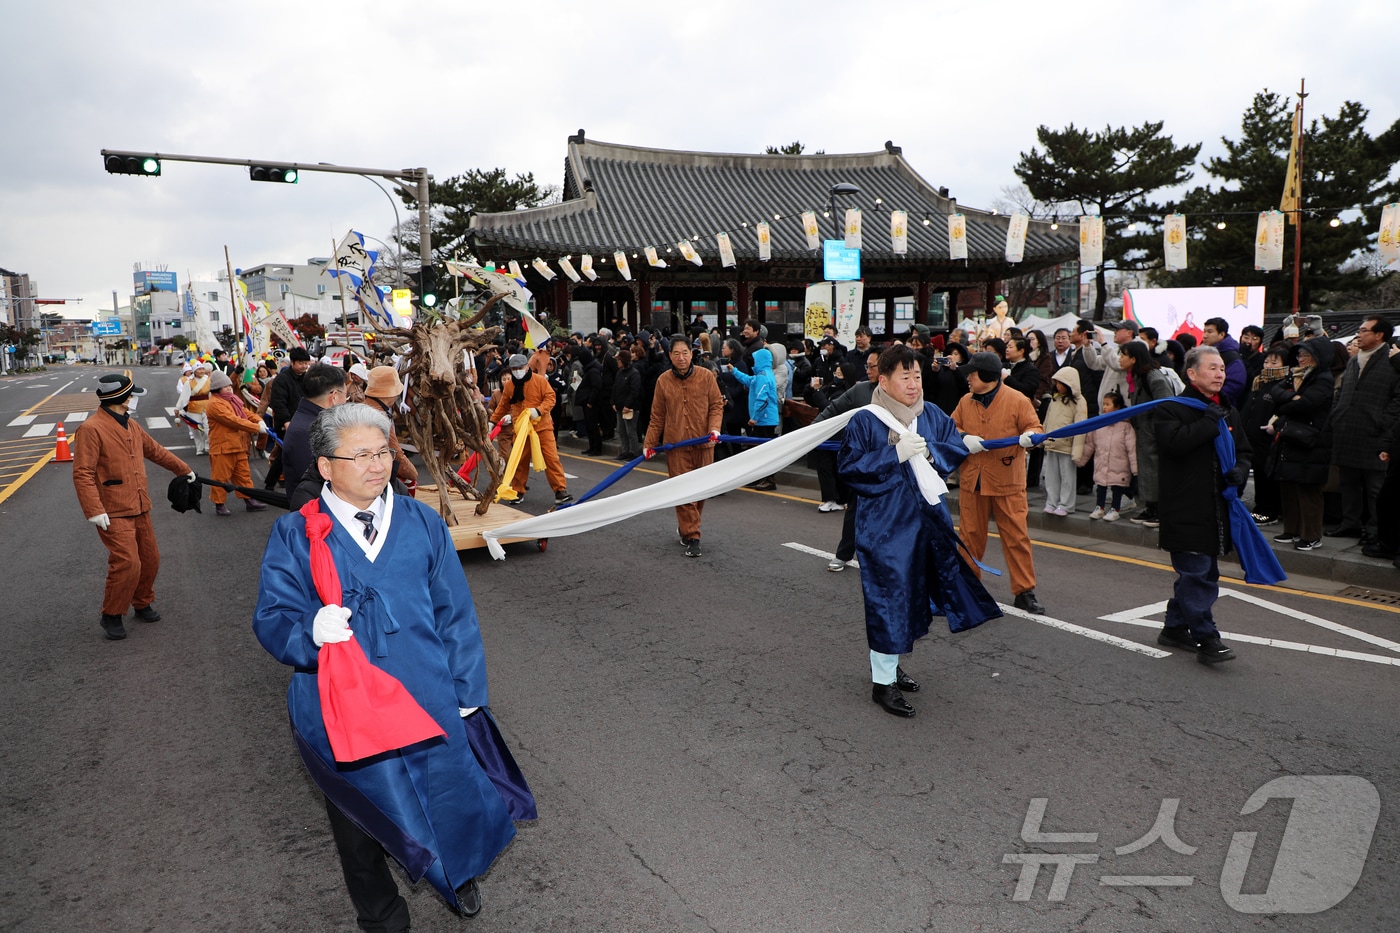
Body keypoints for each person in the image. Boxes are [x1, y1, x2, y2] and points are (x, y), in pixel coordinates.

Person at [252, 404, 525, 930]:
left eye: (383, 452)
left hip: (427, 691)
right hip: (343, 704)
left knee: (447, 792)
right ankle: (381, 917)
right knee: (360, 816)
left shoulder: (421, 522)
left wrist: (468, 692)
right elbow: (272, 616)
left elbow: (454, 614)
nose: (377, 465)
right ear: (326, 467)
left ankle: (455, 871)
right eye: (360, 456)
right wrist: (309, 630)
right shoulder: (296, 534)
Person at [838, 344, 1001, 717]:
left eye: (917, 376)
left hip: (926, 523)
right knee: (888, 600)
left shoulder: (931, 414)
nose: (913, 384)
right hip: (884, 528)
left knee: (913, 597)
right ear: (884, 381)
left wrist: (933, 453)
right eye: (905, 377)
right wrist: (893, 454)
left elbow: (949, 448)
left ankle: (891, 665)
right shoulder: (866, 420)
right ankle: (883, 683)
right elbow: (848, 469)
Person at [72, 374, 195, 641]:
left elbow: (156, 451)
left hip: (139, 504)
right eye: (131, 394)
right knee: (127, 562)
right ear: (121, 398)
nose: (134, 398)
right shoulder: (91, 429)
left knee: (150, 559)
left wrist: (184, 469)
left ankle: (142, 601)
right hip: (112, 508)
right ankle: (112, 614)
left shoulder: (131, 424)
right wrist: (94, 509)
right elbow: (83, 473)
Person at [1153, 346, 1251, 664]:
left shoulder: (1228, 410)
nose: (1220, 374)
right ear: (1192, 373)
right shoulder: (1171, 408)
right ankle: (1206, 638)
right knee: (1197, 574)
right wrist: (1208, 421)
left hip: (1217, 510)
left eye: (1222, 368)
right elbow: (1173, 444)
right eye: (1212, 368)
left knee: (1203, 573)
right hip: (1184, 507)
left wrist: (1240, 471)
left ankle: (1174, 628)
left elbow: (1244, 451)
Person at [952, 351, 1046, 614]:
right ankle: (969, 587)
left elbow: (1036, 428)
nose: (968, 378)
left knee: (1016, 536)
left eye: (972, 374)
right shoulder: (965, 401)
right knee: (969, 536)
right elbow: (950, 427)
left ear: (987, 376)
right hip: (974, 478)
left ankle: (1024, 590)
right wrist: (964, 437)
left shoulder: (1017, 400)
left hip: (1007, 480)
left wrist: (1030, 436)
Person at [643, 336, 725, 558]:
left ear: (692, 354)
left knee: (701, 491)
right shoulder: (663, 381)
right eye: (676, 354)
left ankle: (687, 527)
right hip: (676, 446)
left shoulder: (706, 376)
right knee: (683, 492)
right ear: (670, 356)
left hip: (704, 444)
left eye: (685, 353)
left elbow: (716, 405)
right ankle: (693, 536)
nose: (681, 358)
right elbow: (657, 416)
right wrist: (649, 444)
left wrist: (714, 429)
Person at [1327, 315, 1398, 543]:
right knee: (1348, 482)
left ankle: (1375, 530)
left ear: (1379, 335)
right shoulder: (1353, 360)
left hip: (1375, 432)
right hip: (1347, 428)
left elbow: (1397, 398)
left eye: (1364, 330)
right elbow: (1341, 393)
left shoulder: (1392, 359)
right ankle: (1350, 523)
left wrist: (1384, 422)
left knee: (1375, 486)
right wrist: (1336, 414)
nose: (1359, 334)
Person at [1263, 337, 1334, 550]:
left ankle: (1311, 535)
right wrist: (1292, 399)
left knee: (1308, 490)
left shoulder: (1323, 378)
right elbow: (1275, 392)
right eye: (1300, 355)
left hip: (1312, 440)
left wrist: (1287, 402)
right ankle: (1291, 530)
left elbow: (1307, 404)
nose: (1301, 359)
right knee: (1289, 486)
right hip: (1291, 437)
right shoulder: (1294, 374)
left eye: (1306, 355)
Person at [490, 353, 572, 503]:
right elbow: (503, 406)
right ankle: (517, 490)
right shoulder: (510, 386)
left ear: (527, 367)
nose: (517, 371)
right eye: (514, 369)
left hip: (542, 427)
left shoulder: (539, 381)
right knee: (520, 460)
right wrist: (493, 421)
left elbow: (550, 398)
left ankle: (560, 490)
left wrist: (538, 410)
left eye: (520, 368)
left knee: (551, 458)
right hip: (521, 429)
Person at [205, 370, 270, 516]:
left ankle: (249, 500)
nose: (229, 388)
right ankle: (219, 504)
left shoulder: (232, 399)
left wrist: (259, 420)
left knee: (244, 475)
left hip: (239, 445)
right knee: (220, 478)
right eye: (225, 387)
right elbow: (233, 420)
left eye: (229, 385)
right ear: (217, 389)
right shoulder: (214, 404)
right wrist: (256, 428)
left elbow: (245, 412)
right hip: (222, 447)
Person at [283, 364, 348, 495]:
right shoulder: (306, 432)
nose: (346, 401)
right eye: (346, 396)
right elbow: (318, 482)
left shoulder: (309, 419)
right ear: (334, 396)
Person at [1076, 390, 1136, 521]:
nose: (1104, 407)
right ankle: (1099, 507)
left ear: (1117, 407)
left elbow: (1132, 449)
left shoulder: (1126, 426)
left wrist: (1135, 468)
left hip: (1119, 464)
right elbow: (1089, 445)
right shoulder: (1099, 424)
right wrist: (1081, 460)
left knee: (1117, 488)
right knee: (1101, 486)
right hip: (1101, 462)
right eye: (1103, 404)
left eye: (1108, 404)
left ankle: (1115, 509)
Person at [730, 346, 781, 491]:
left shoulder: (763, 377)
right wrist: (734, 371)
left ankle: (769, 480)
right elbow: (748, 380)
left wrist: (754, 417)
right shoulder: (762, 375)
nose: (753, 362)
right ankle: (760, 478)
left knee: (764, 452)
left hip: (764, 421)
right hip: (764, 420)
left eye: (755, 360)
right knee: (759, 450)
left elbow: (762, 399)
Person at [1040, 367, 1087, 515]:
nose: (1058, 386)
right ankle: (1051, 502)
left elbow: (1081, 427)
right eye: (1057, 383)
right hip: (1052, 443)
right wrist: (1042, 438)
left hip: (1067, 445)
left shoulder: (1079, 402)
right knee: (1051, 477)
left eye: (1061, 383)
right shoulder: (1055, 399)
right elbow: (1047, 420)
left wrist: (1077, 452)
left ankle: (1066, 504)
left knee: (1067, 477)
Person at [362, 365, 418, 489]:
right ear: (389, 392)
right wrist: (413, 473)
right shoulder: (379, 416)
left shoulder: (364, 408)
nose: (398, 395)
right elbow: (397, 455)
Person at [1201, 317, 1249, 408]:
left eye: (1210, 332)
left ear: (1222, 334)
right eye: (1204, 331)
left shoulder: (1231, 357)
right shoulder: (1201, 352)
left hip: (1219, 407)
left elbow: (1235, 385)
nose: (1205, 335)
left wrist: (1212, 398)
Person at [612, 348, 643, 461]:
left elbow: (634, 391)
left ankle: (633, 452)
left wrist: (628, 405)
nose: (617, 362)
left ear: (623, 360)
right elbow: (615, 388)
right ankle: (625, 451)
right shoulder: (619, 373)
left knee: (630, 431)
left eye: (619, 360)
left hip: (630, 408)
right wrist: (613, 402)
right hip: (619, 406)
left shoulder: (634, 373)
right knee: (621, 430)